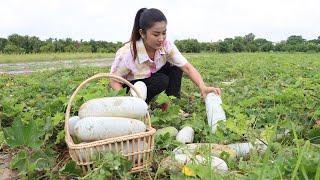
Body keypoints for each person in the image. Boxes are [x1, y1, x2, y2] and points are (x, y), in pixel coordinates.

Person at [110, 8, 221, 108]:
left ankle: (167, 105)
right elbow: (114, 80)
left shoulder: (166, 46)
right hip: (132, 87)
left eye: (164, 33)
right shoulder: (128, 53)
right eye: (156, 34)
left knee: (176, 67)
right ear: (142, 33)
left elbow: (187, 67)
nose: (161, 38)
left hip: (150, 78)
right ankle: (139, 105)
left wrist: (203, 87)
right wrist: (127, 102)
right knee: (161, 80)